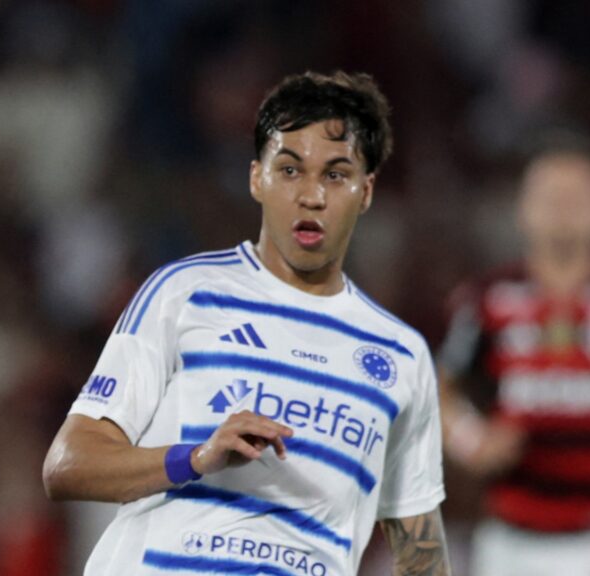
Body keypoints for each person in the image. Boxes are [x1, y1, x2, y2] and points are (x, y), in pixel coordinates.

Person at [43, 71, 451, 576]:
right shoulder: (184, 293)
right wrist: (197, 457)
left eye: (335, 174)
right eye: (289, 170)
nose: (311, 196)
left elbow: (421, 553)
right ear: (256, 177)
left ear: (365, 192)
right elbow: (67, 466)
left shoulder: (400, 355)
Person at [436, 132, 590, 576]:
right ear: (522, 209)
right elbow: (435, 390)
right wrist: (471, 440)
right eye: (552, 196)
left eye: (578, 196)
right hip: (508, 540)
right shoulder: (486, 300)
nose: (564, 208)